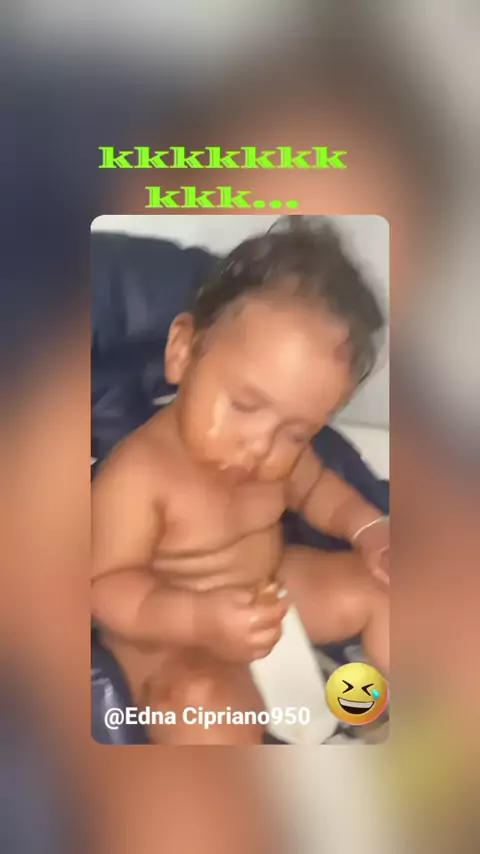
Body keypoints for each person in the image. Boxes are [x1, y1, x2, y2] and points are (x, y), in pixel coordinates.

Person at [91, 220, 389, 745]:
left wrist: (370, 528)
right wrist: (199, 619)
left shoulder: (282, 459)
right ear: (183, 352)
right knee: (202, 707)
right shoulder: (138, 476)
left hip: (270, 594)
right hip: (171, 638)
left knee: (389, 590)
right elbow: (105, 591)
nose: (261, 445)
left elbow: (321, 492)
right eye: (245, 405)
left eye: (296, 433)